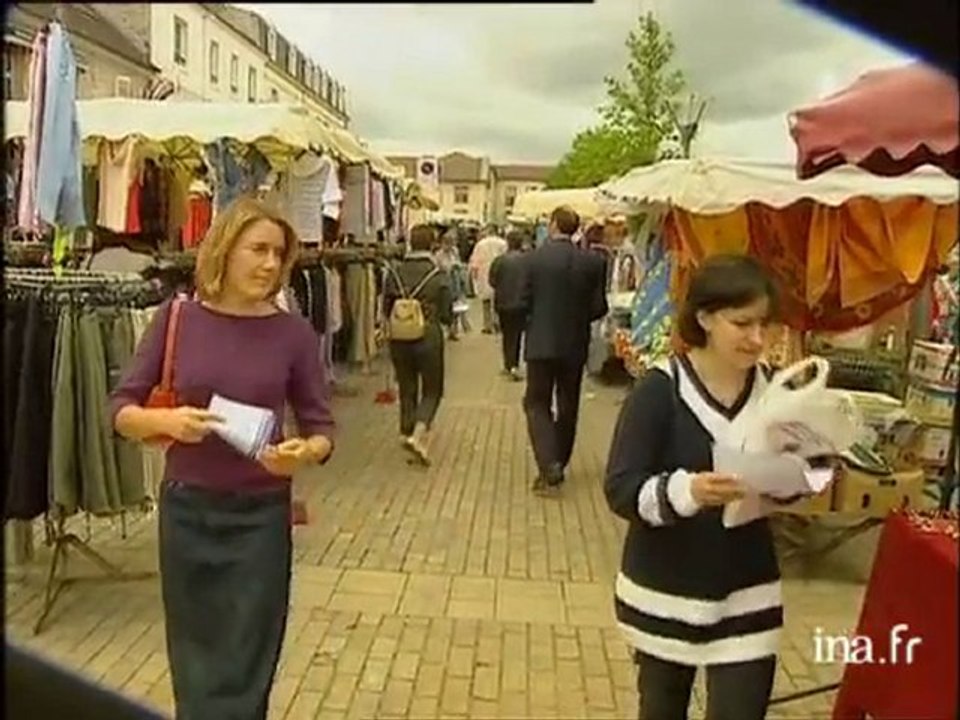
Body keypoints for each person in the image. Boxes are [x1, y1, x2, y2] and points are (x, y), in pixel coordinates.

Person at [109, 197, 335, 720]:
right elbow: (120, 409)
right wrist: (165, 422)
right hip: (189, 513)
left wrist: (304, 452)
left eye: (279, 254)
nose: (270, 264)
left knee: (249, 661)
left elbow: (321, 426)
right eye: (258, 250)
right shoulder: (178, 319)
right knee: (195, 662)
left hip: (260, 518)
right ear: (225, 250)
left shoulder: (293, 333)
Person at [604, 254, 784, 720]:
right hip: (665, 593)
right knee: (662, 708)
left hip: (748, 593)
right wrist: (686, 492)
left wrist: (797, 477)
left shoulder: (777, 393)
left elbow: (806, 473)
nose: (757, 338)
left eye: (763, 324)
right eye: (741, 323)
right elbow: (621, 487)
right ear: (704, 318)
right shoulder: (659, 390)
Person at [521, 206, 607, 492]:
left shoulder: (533, 259)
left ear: (553, 225)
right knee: (568, 404)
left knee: (536, 402)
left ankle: (549, 464)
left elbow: (522, 300)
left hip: (540, 342)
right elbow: (599, 307)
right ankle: (559, 459)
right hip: (574, 343)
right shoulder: (593, 262)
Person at [385, 224, 453, 466]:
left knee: (406, 384)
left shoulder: (394, 272)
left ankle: (406, 429)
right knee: (433, 389)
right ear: (432, 244)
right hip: (428, 335)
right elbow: (446, 309)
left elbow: (386, 306)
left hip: (399, 336)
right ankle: (419, 432)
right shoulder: (437, 273)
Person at [488, 229, 528, 380]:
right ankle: (514, 364)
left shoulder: (499, 261)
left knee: (507, 334)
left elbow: (492, 281)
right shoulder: (527, 260)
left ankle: (508, 364)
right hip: (522, 302)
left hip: (503, 302)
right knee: (517, 335)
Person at [469, 224, 507, 333]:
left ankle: (487, 325)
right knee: (498, 301)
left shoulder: (480, 244)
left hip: (483, 274)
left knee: (486, 302)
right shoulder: (503, 243)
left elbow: (474, 262)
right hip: (500, 274)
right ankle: (498, 323)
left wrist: (473, 274)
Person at [436, 229, 471, 340]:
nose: (449, 246)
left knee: (457, 306)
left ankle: (454, 330)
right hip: (445, 282)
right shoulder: (439, 254)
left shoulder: (455, 252)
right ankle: (449, 329)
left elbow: (458, 262)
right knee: (447, 306)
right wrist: (449, 267)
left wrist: (458, 266)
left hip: (455, 282)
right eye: (447, 244)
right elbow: (439, 267)